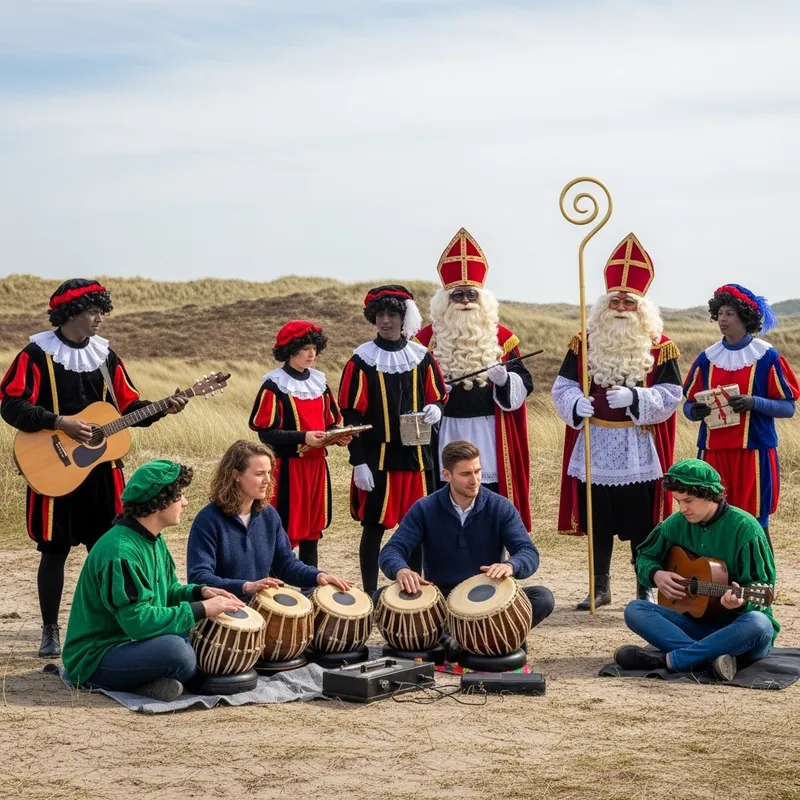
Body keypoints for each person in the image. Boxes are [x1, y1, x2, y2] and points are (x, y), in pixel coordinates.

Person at [0, 279, 187, 658]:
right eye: (93, 311)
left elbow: (129, 408)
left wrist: (163, 407)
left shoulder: (105, 357)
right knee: (53, 552)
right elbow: (9, 404)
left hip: (102, 472)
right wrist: (59, 422)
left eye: (102, 310)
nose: (100, 318)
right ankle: (50, 630)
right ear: (71, 314)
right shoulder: (36, 355)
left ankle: (112, 625)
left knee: (108, 549)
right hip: (53, 469)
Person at [552, 234, 681, 609]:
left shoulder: (660, 346)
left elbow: (673, 395)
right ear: (604, 303)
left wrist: (638, 398)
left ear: (642, 307)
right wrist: (577, 403)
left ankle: (644, 586)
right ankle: (600, 586)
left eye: (629, 301)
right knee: (598, 521)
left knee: (642, 525)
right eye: (616, 300)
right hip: (594, 443)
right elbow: (562, 387)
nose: (622, 306)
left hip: (637, 446)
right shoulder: (584, 341)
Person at [61, 460, 243, 702]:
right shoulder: (120, 552)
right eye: (180, 496)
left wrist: (200, 593)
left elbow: (167, 591)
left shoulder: (153, 538)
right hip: (97, 656)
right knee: (179, 654)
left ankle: (147, 682)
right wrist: (200, 610)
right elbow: (137, 622)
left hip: (134, 643)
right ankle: (134, 682)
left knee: (198, 634)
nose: (185, 503)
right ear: (161, 501)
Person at [615, 459, 777, 682]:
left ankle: (672, 660)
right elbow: (645, 556)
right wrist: (656, 574)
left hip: (738, 632)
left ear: (710, 494)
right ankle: (709, 659)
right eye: (678, 501)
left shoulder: (745, 528)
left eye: (688, 501)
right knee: (635, 610)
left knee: (759, 623)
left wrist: (742, 601)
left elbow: (764, 588)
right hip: (696, 627)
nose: (682, 509)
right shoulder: (676, 523)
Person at [415, 228, 533, 530]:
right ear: (445, 300)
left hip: (491, 431)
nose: (466, 301)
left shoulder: (502, 339)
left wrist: (505, 380)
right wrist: (432, 401)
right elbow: (412, 386)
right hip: (447, 428)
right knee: (446, 494)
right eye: (458, 295)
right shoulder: (425, 340)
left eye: (471, 294)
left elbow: (525, 382)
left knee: (489, 495)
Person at [378, 440, 554, 634]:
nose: (475, 480)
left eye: (477, 471)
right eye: (465, 474)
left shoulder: (500, 507)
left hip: (488, 597)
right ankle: (479, 637)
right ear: (447, 475)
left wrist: (510, 565)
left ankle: (460, 638)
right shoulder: (425, 508)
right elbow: (391, 551)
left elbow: (528, 552)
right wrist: (401, 570)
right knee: (380, 597)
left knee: (543, 597)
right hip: (442, 600)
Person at [338, 285, 447, 595]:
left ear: (404, 318)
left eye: (392, 314)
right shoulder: (361, 360)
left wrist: (435, 410)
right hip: (377, 458)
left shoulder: (421, 356)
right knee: (373, 528)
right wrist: (358, 462)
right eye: (380, 315)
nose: (385, 321)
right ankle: (371, 594)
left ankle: (413, 592)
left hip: (416, 458)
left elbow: (437, 396)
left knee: (416, 528)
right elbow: (350, 414)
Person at [683, 284, 799, 542]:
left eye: (729, 314)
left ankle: (761, 580)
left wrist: (754, 402)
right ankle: (714, 579)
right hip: (713, 452)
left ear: (744, 317)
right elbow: (688, 407)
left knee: (755, 521)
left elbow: (789, 407)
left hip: (754, 453)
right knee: (711, 519)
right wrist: (695, 411)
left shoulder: (767, 357)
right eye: (720, 313)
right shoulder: (707, 358)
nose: (722, 319)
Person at [186, 440, 353, 600]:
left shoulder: (268, 515)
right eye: (259, 474)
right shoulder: (208, 520)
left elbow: (285, 563)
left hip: (260, 611)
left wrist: (318, 576)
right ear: (236, 475)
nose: (267, 480)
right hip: (221, 616)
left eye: (268, 472)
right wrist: (245, 586)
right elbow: (199, 578)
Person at [248, 320, 347, 567]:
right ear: (291, 350)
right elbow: (266, 433)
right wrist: (302, 437)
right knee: (282, 529)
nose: (311, 353)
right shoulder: (274, 385)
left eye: (314, 347)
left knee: (312, 532)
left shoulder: (320, 383)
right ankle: (274, 592)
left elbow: (330, 423)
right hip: (287, 468)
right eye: (305, 348)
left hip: (316, 468)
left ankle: (309, 586)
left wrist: (338, 435)